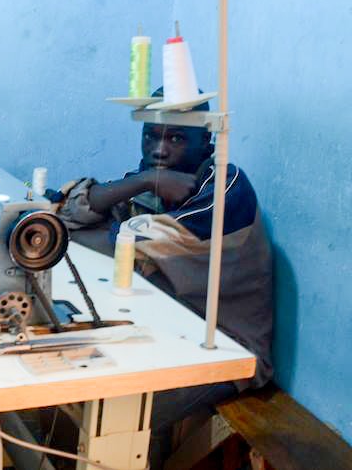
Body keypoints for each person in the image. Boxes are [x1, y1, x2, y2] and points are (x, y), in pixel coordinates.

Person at [56, 90, 273, 469]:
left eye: (175, 138)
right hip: (170, 330)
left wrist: (124, 203)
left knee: (118, 405)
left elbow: (138, 240)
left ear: (206, 141)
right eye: (151, 136)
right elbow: (71, 215)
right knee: (80, 390)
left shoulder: (227, 188)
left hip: (227, 349)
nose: (159, 149)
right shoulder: (155, 182)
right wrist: (144, 180)